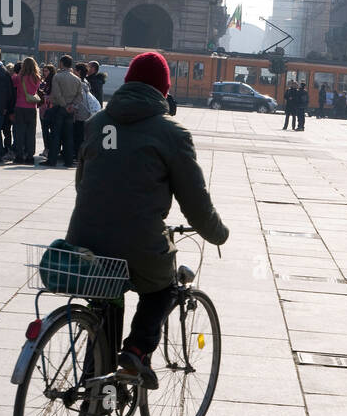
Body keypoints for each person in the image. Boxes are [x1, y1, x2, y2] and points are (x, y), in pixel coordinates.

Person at [65, 52, 229, 396]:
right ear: (163, 89)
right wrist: (216, 232)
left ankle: (97, 393)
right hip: (138, 241)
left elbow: (83, 183)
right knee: (163, 287)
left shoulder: (98, 123)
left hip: (84, 237)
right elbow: (195, 202)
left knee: (107, 295)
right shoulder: (171, 133)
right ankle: (137, 351)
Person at [12, 56, 41, 164]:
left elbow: (13, 84)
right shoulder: (37, 77)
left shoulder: (19, 77)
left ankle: (19, 156)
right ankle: (30, 156)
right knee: (30, 133)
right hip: (32, 107)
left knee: (19, 132)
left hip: (20, 106)